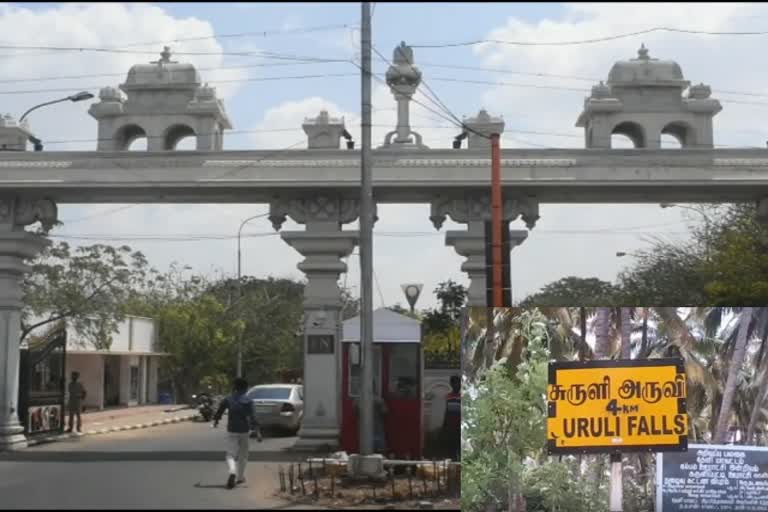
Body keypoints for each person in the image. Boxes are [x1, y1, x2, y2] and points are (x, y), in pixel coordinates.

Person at [213, 377, 262, 489]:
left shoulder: (228, 399)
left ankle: (232, 472)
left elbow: (219, 411)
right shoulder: (248, 401)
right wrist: (258, 432)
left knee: (230, 454)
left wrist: (216, 421)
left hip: (232, 430)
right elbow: (253, 417)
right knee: (243, 455)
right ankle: (240, 478)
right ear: (245, 388)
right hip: (244, 430)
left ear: (234, 387)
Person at [443, 375, 461, 460]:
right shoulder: (448, 396)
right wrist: (444, 424)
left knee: (460, 446)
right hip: (451, 425)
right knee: (452, 448)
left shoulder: (462, 396)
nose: (457, 385)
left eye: (459, 383)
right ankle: (454, 464)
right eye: (455, 383)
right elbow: (447, 410)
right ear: (451, 384)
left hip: (460, 426)